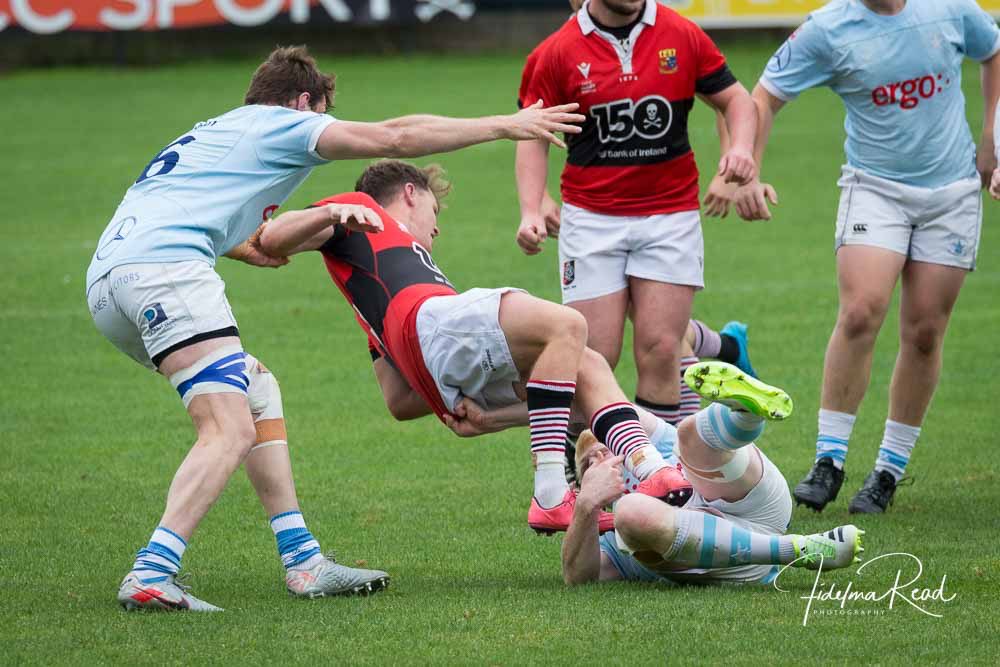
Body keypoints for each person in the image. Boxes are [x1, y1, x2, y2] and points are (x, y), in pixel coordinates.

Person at [86, 45, 585, 611]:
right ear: (303, 103)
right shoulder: (282, 124)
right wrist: (507, 124)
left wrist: (244, 247)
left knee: (255, 390)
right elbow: (395, 137)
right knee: (227, 428)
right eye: (322, 114)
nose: (325, 127)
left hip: (109, 283)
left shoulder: (219, 132)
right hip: (165, 270)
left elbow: (191, 206)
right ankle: (152, 572)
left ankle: (304, 562)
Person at [258, 160, 694, 535]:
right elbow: (273, 237)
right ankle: (555, 492)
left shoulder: (378, 292)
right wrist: (334, 209)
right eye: (433, 208)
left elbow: (401, 402)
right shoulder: (364, 213)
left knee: (587, 366)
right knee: (567, 325)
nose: (437, 226)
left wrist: (493, 418)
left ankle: (655, 469)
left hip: (432, 352)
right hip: (427, 318)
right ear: (410, 193)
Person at [734, 0, 1000, 514]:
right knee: (861, 312)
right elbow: (763, 96)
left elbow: (993, 51)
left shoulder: (949, 8)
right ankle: (828, 460)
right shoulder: (828, 29)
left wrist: (993, 134)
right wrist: (750, 170)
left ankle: (887, 471)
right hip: (874, 188)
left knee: (925, 332)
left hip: (953, 193)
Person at [514, 0, 759, 435]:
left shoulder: (681, 34)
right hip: (591, 220)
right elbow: (533, 134)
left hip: (670, 215)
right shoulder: (557, 52)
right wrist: (532, 207)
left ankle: (658, 470)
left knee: (661, 347)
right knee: (593, 354)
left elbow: (736, 98)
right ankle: (575, 468)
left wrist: (739, 149)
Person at [561, 361, 864, 586]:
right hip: (736, 564)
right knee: (630, 512)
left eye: (603, 446)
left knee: (689, 434)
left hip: (751, 499)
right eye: (589, 462)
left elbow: (610, 407)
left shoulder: (650, 445)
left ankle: (745, 415)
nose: (600, 458)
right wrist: (587, 504)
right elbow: (580, 579)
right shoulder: (613, 537)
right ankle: (798, 549)